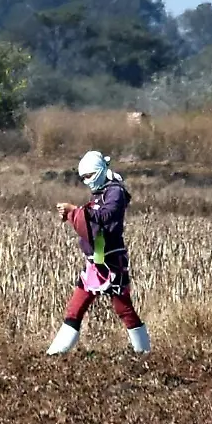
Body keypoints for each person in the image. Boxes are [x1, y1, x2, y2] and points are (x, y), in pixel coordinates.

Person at [46, 151, 151, 355]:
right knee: (75, 307)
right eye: (83, 178)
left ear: (101, 171)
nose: (86, 182)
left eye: (89, 176)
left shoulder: (115, 192)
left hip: (112, 261)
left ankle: (145, 354)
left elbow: (105, 216)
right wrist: (71, 214)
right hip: (95, 261)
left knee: (123, 308)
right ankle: (54, 355)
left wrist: (75, 210)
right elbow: (91, 221)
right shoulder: (99, 192)